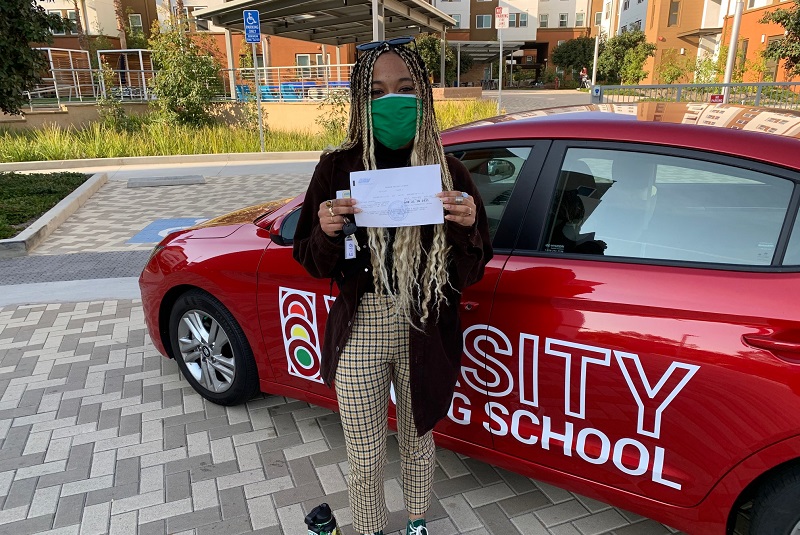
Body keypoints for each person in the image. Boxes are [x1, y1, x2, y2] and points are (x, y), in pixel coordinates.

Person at [293, 37, 492, 535]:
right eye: (378, 91)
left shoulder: (451, 174)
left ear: (423, 95)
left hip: (425, 325)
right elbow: (311, 262)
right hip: (363, 325)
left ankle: (417, 525)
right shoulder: (337, 168)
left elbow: (470, 274)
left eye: (404, 88)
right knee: (364, 454)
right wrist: (325, 230)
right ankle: (370, 528)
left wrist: (467, 227)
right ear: (362, 103)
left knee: (419, 441)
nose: (393, 101)